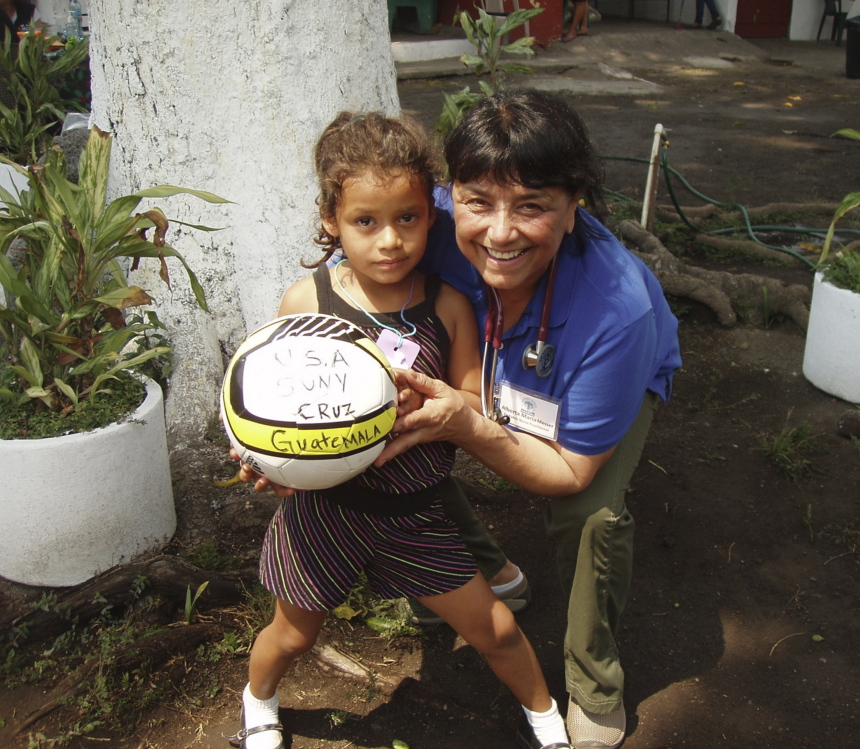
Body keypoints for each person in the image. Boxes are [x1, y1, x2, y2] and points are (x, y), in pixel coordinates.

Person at [229, 112, 572, 749]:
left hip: (415, 514)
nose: (390, 240)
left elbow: (471, 399)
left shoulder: (445, 306)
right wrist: (260, 457)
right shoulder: (305, 301)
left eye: (407, 218)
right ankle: (259, 701)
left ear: (430, 215)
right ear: (331, 220)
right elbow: (269, 400)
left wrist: (436, 407)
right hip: (323, 512)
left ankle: (547, 720)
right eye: (366, 221)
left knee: (495, 629)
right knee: (293, 635)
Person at [382, 89, 682, 749]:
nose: (497, 232)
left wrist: (466, 422)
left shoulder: (615, 310)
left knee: (592, 513)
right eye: (477, 201)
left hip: (595, 374)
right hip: (490, 364)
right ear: (449, 193)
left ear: (574, 206)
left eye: (532, 206)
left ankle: (595, 681)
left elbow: (569, 472)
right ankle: (491, 571)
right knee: (387, 424)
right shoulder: (418, 226)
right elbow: (337, 295)